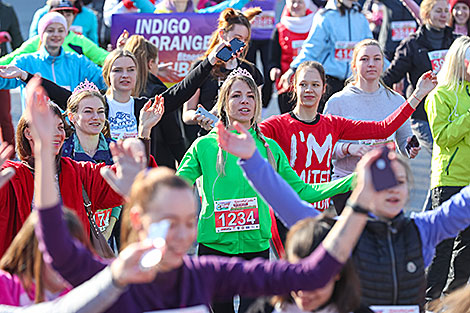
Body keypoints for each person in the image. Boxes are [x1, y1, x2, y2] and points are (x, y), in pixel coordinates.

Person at [27, 73, 379, 313]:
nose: (181, 233)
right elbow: (58, 246)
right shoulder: (116, 279)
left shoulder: (205, 273)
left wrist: (359, 191)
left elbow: (302, 213)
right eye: (171, 221)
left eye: (187, 222)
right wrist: (44, 153)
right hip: (218, 245)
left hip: (254, 247)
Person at [218, 120, 470, 308]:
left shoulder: (422, 228)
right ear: (362, 186)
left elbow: (462, 205)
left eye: (400, 181)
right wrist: (252, 159)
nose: (392, 188)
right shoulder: (341, 230)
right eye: (382, 181)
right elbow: (287, 203)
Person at [176, 70, 355, 313]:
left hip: (256, 249)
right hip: (214, 249)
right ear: (224, 102)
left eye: (250, 96)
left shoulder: (270, 149)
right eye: (236, 96)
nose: (244, 102)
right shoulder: (204, 146)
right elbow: (176, 187)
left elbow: (304, 192)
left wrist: (354, 180)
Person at [0, 75, 153, 256]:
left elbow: (123, 180)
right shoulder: (12, 175)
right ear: (28, 132)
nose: (58, 133)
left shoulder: (77, 171)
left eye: (60, 127)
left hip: (72, 266)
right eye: (50, 126)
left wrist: (143, 136)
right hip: (27, 268)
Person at [260, 58, 432, 213]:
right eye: (303, 84)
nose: (309, 90)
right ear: (294, 87)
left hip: (320, 214)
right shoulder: (277, 124)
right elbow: (247, 135)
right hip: (286, 211)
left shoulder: (333, 124)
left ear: (323, 88)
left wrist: (417, 95)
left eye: (315, 85)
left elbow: (383, 128)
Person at [323, 39, 419, 212]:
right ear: (354, 65)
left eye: (376, 59)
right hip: (348, 184)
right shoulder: (338, 101)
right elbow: (324, 148)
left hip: (385, 182)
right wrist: (348, 148)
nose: (371, 64)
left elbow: (404, 140)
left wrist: (410, 147)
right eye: (364, 59)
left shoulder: (396, 100)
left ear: (383, 64)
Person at [423, 36, 470, 303]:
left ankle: (455, 304)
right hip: (448, 179)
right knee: (443, 247)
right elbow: (442, 137)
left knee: (466, 250)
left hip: (469, 180)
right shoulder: (440, 94)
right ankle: (429, 302)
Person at [383, 0, 456, 154]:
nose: (443, 15)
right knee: (441, 154)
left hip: (451, 113)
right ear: (426, 14)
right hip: (422, 116)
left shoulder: (456, 42)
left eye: (445, 11)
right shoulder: (412, 44)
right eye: (438, 11)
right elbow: (391, 76)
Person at [0, 241, 159, 313]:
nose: (64, 263)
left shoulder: (85, 290)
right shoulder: (6, 284)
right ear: (33, 251)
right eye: (55, 253)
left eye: (72, 253)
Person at [182, 7, 263, 144]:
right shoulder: (202, 68)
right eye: (237, 39)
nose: (241, 45)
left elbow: (258, 113)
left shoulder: (251, 70)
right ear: (222, 34)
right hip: (210, 140)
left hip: (241, 139)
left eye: (245, 40)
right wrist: (203, 117)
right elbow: (187, 113)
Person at [279, 0, 373, 113]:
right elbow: (312, 47)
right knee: (327, 125)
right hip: (330, 83)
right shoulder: (325, 16)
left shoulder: (360, 18)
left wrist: (391, 72)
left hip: (354, 83)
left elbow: (371, 48)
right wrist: (293, 69)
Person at [0, 12, 106, 110]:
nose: (56, 34)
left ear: (66, 34)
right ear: (41, 34)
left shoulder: (78, 61)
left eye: (61, 30)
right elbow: (4, 81)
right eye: (50, 30)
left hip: (68, 127)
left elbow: (104, 80)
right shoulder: (26, 61)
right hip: (35, 127)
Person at [270, 217, 373, 313]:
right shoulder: (270, 308)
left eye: (313, 279)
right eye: (296, 276)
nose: (303, 292)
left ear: (338, 272)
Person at [0, 209, 90, 305]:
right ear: (33, 250)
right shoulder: (6, 285)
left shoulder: (83, 293)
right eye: (58, 253)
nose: (67, 262)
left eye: (75, 253)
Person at [123, 35, 186, 169]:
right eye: (157, 63)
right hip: (157, 165)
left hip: (126, 163)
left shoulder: (119, 92)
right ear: (150, 63)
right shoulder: (158, 93)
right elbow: (173, 136)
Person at [0, 1, 109, 67]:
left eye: (68, 14)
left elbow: (104, 58)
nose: (64, 18)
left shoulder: (80, 41)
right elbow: (11, 58)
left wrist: (121, 53)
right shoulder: (37, 41)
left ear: (74, 17)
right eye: (60, 13)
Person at [269, 0, 315, 113]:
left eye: (300, 2)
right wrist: (274, 68)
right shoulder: (280, 29)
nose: (296, 5)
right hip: (287, 85)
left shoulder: (316, 25)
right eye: (292, 2)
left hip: (311, 85)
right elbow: (273, 57)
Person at [0, 0, 23, 147]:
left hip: (1, 72)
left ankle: (11, 157)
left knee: (4, 117)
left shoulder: (6, 10)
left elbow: (18, 44)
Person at [29, 0, 99, 44]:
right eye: (50, 30)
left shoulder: (90, 16)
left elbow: (94, 47)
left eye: (68, 14)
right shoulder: (41, 14)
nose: (64, 17)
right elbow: (32, 43)